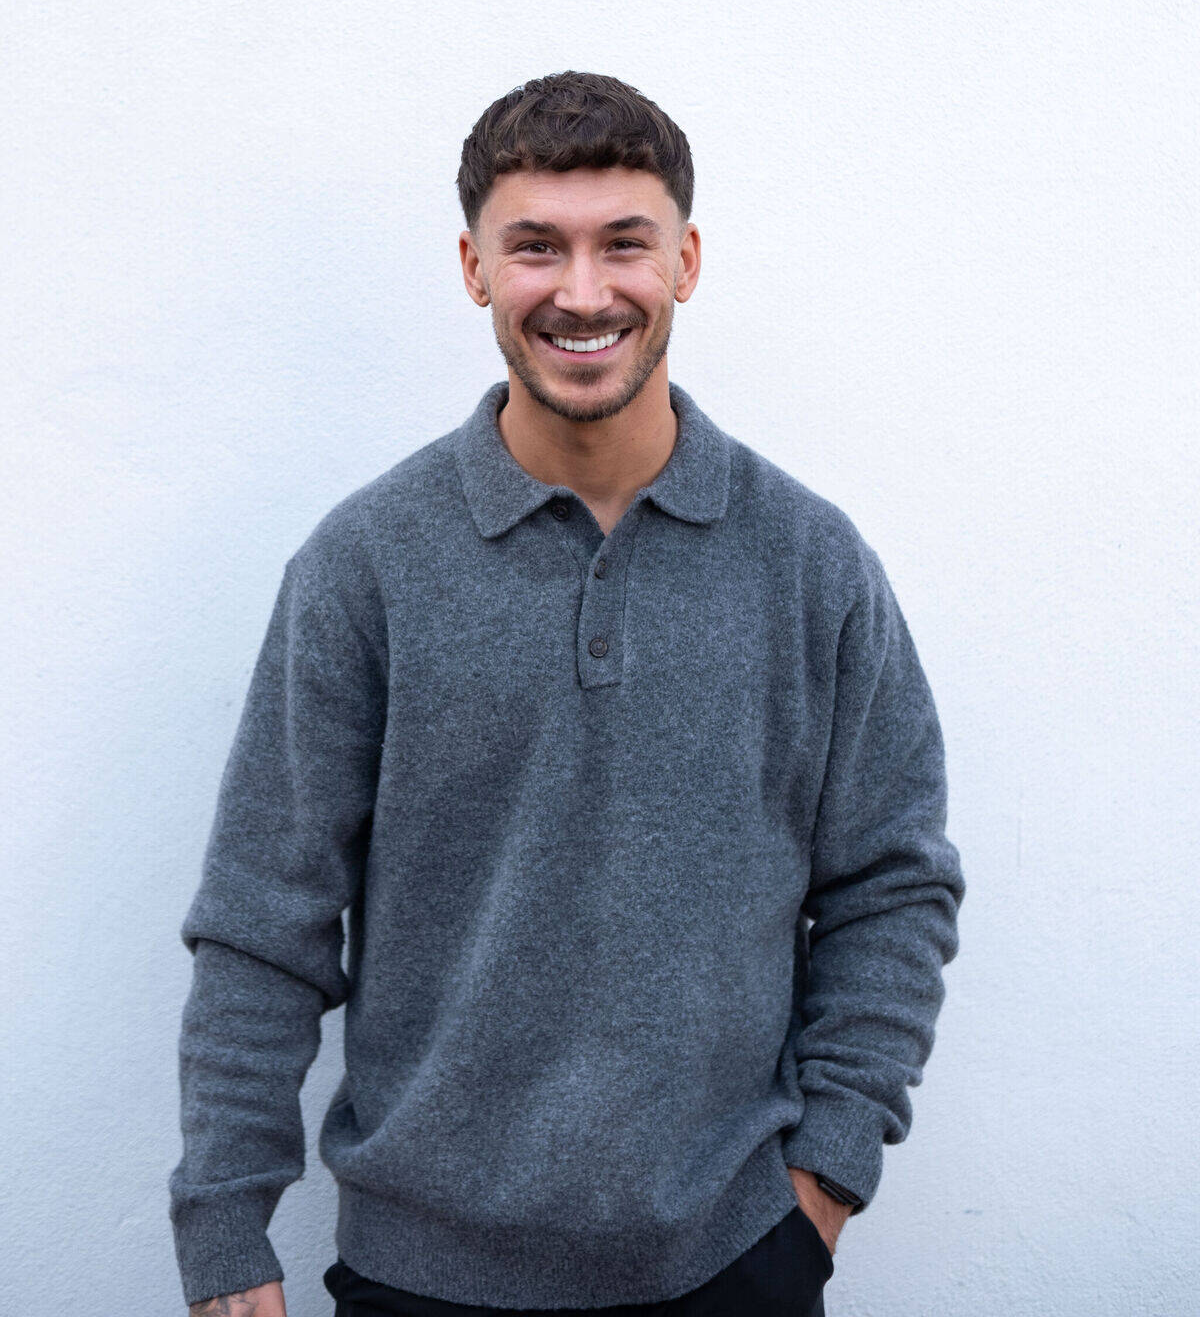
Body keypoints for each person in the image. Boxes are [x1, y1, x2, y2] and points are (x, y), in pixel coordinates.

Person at [169, 71, 966, 1316]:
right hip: (420, 1275)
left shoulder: (810, 563)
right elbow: (266, 919)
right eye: (537, 245)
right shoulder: (366, 564)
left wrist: (825, 1177)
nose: (583, 292)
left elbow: (892, 883)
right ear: (476, 269)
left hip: (733, 1261)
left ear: (686, 261)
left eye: (624, 244)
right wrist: (226, 1227)